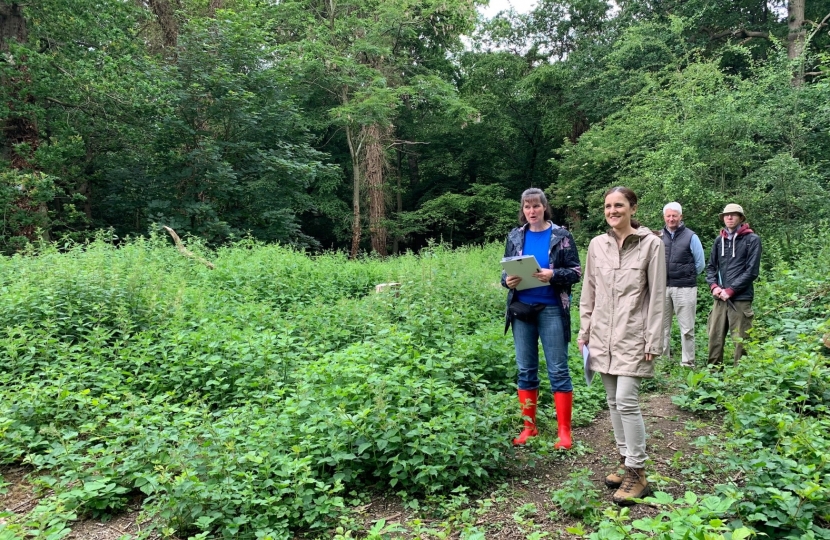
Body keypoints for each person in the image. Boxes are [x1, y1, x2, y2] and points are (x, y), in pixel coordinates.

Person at [578, 187, 665, 506]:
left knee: (627, 400)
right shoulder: (596, 245)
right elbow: (589, 291)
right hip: (602, 335)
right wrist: (584, 330)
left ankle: (638, 473)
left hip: (634, 334)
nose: (612, 210)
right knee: (613, 402)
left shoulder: (651, 245)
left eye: (619, 205)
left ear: (632, 207)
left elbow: (657, 295)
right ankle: (626, 460)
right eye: (608, 206)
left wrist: (653, 338)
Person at [502, 188, 582, 449]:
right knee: (526, 370)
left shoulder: (561, 236)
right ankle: (529, 428)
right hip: (522, 309)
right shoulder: (515, 236)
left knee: (558, 369)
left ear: (544, 207)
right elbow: (505, 273)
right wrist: (508, 281)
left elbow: (575, 272)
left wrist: (553, 275)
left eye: (536, 206)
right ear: (522, 209)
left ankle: (564, 433)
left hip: (551, 309)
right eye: (527, 207)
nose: (531, 211)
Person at [705, 203, 761, 367]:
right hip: (719, 298)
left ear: (741, 218)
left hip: (741, 298)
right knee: (714, 338)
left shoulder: (752, 240)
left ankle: (741, 379)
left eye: (733, 215)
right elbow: (711, 268)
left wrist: (731, 290)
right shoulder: (719, 241)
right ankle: (713, 375)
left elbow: (752, 271)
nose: (729, 217)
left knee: (741, 341)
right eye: (726, 215)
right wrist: (714, 286)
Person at [661, 202, 705, 368]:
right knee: (662, 328)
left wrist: (687, 275)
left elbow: (700, 263)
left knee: (687, 328)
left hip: (685, 288)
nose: (671, 219)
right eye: (668, 216)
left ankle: (688, 362)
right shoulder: (659, 236)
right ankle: (663, 361)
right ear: (664, 217)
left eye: (674, 216)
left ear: (681, 217)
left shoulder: (691, 236)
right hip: (663, 287)